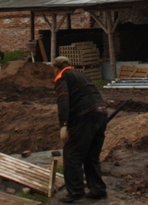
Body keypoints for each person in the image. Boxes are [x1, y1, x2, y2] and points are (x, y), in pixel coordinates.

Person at [52, 56, 108, 203]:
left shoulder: (62, 77)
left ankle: (75, 192)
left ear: (56, 68)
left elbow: (63, 100)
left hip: (86, 114)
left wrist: (63, 124)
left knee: (72, 154)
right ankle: (98, 190)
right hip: (101, 112)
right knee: (90, 155)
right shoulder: (81, 75)